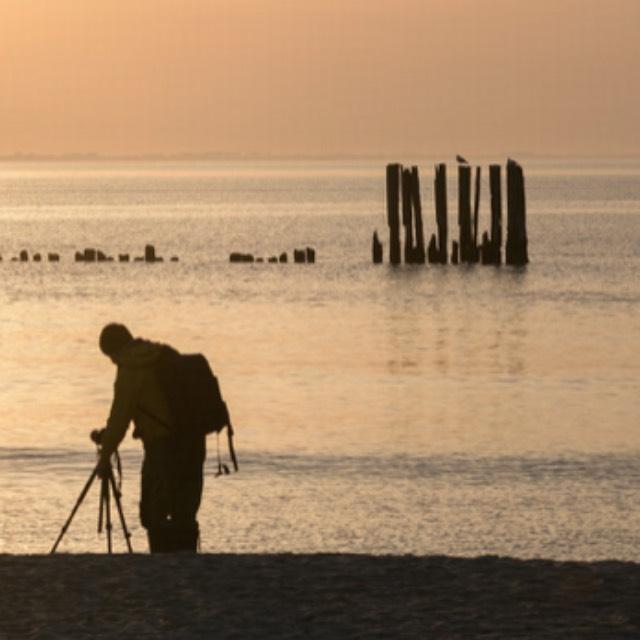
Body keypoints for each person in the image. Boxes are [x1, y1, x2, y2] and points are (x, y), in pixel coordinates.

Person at [97, 323, 206, 553]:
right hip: (193, 441)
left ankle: (161, 561)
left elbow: (119, 420)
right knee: (184, 511)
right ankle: (186, 562)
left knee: (153, 513)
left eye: (110, 357)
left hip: (162, 447)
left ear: (114, 352)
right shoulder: (161, 353)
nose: (113, 363)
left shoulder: (131, 369)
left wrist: (105, 453)